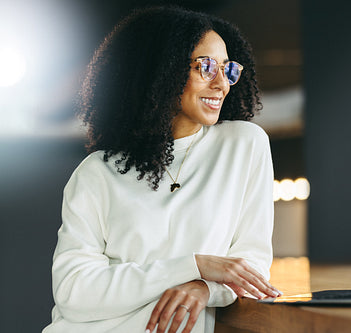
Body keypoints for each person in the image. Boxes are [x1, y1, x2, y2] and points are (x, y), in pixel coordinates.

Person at [42, 5, 280, 333]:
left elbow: (249, 267)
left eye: (228, 69)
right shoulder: (96, 173)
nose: (221, 84)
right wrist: (195, 266)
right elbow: (73, 291)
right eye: (206, 67)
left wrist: (204, 287)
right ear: (162, 69)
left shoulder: (244, 145)